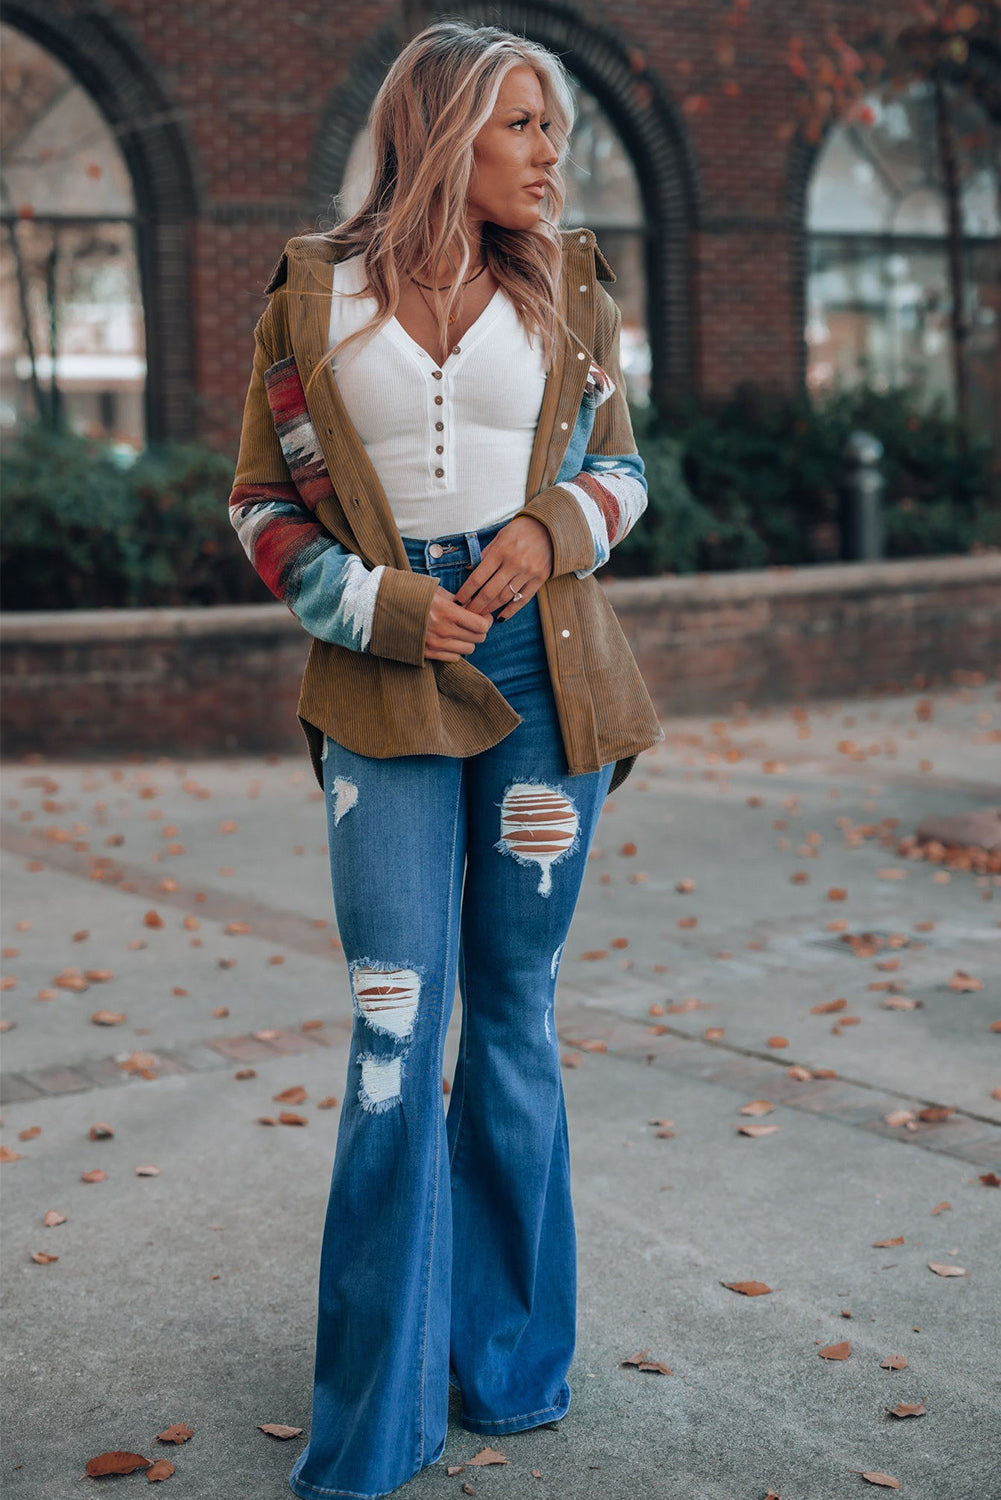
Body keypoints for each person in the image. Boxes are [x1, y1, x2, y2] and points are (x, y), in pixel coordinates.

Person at [228, 20, 664, 1498]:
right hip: (381, 682)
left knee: (516, 1013)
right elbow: (257, 503)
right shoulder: (310, 294)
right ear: (444, 132)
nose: (553, 155)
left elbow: (625, 468)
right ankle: (379, 1412)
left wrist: (548, 532)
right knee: (394, 1030)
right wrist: (381, 606)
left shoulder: (573, 287)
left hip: (547, 676)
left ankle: (510, 1366)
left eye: (554, 129)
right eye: (525, 126)